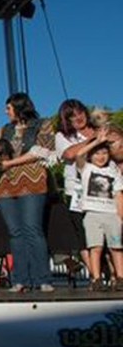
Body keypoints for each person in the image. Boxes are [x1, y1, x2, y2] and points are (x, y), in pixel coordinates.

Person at [0, 93, 55, 292]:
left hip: (32, 181)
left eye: (8, 108)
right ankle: (19, 280)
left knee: (33, 228)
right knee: (15, 232)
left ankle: (43, 279)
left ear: (19, 107)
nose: (5, 112)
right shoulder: (4, 129)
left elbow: (42, 150)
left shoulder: (42, 124)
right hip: (5, 184)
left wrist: (10, 163)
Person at [54, 99, 99, 271]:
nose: (78, 117)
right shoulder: (63, 136)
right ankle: (95, 275)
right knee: (84, 234)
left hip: (105, 190)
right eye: (72, 116)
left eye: (80, 112)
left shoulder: (98, 129)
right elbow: (69, 153)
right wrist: (93, 140)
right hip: (78, 191)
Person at [74, 133, 123, 290]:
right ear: (91, 155)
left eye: (104, 153)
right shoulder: (87, 168)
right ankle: (96, 278)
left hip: (111, 213)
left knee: (116, 247)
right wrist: (97, 141)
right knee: (95, 247)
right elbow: (79, 154)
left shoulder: (113, 171)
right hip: (92, 213)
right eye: (97, 153)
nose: (101, 157)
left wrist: (120, 215)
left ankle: (120, 277)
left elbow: (118, 194)